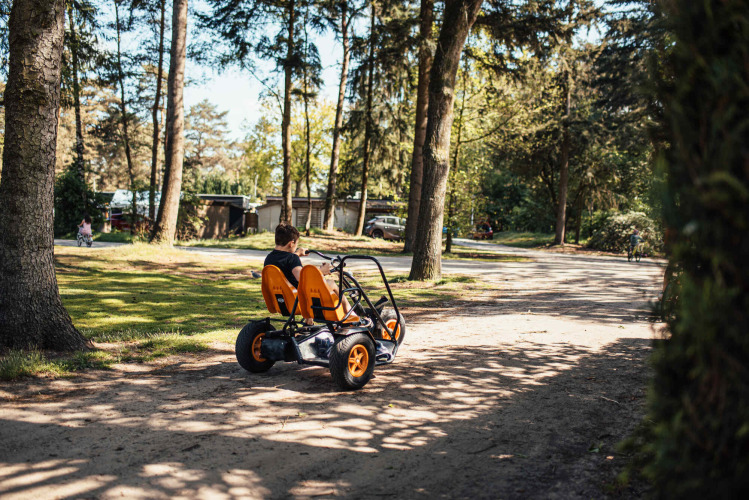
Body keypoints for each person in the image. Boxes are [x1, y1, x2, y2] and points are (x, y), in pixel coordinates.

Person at [264, 223, 350, 318]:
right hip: (299, 300)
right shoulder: (292, 259)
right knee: (331, 283)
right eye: (296, 244)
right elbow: (303, 279)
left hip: (281, 299)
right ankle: (351, 315)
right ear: (291, 243)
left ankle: (309, 322)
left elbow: (285, 264)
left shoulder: (269, 258)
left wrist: (296, 254)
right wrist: (321, 271)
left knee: (305, 288)